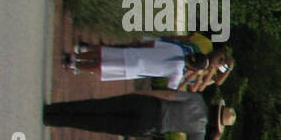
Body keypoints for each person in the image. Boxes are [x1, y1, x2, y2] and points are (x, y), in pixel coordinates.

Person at [43, 91, 236, 140]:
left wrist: (146, 93)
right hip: (152, 125)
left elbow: (169, 95)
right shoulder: (199, 131)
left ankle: (54, 109)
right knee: (101, 124)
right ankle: (55, 120)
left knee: (99, 105)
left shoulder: (197, 99)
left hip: (150, 105)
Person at [64, 39, 207, 89]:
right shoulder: (178, 72)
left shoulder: (177, 48)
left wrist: (138, 45)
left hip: (135, 54)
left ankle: (76, 56)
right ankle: (76, 65)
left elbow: (153, 44)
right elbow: (172, 88)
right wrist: (188, 78)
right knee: (104, 68)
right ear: (193, 68)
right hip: (135, 69)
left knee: (105, 53)